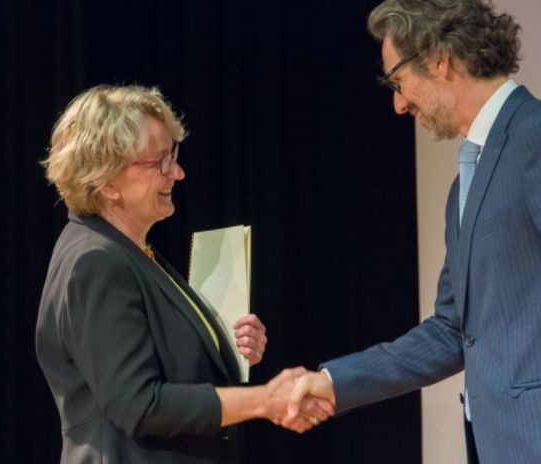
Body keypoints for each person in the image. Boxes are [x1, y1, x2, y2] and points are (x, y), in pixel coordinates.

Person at [284, 1, 541, 463]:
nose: (398, 103)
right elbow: (452, 332)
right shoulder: (465, 184)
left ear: (439, 59)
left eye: (397, 81)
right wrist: (333, 383)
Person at [36, 85, 332, 464]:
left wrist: (228, 350)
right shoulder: (96, 261)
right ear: (107, 182)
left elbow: (159, 366)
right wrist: (266, 400)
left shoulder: (131, 251)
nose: (177, 172)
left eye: (173, 155)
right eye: (159, 161)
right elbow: (140, 403)